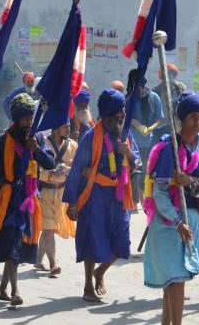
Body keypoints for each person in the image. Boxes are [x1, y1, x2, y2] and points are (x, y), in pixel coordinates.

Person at [143, 92, 199, 325]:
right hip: (169, 223)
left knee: (176, 280)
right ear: (182, 119)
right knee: (174, 280)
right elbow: (159, 192)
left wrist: (193, 181)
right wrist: (177, 222)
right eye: (192, 117)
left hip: (193, 219)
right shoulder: (168, 148)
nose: (197, 122)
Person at [0, 93, 55, 305]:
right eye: (25, 118)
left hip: (28, 200)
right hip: (7, 201)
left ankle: (2, 288)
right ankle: (15, 290)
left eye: (31, 118)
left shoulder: (36, 140)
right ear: (16, 119)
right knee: (12, 240)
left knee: (16, 243)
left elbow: (50, 164)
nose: (29, 122)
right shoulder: (0, 142)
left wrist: (36, 150)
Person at [63, 89, 141, 302]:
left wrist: (130, 154)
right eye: (119, 114)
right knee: (91, 239)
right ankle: (88, 285)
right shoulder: (90, 138)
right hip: (95, 195)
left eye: (124, 112)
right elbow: (77, 169)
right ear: (107, 117)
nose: (123, 116)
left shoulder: (125, 134)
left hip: (119, 195)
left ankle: (101, 272)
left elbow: (137, 162)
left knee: (122, 242)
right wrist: (71, 202)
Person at [35, 121, 78, 277]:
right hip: (45, 192)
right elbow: (37, 169)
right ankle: (54, 264)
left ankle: (38, 260)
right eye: (65, 126)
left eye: (69, 126)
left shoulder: (73, 145)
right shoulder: (42, 142)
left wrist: (68, 169)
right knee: (49, 230)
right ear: (55, 128)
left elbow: (78, 167)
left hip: (62, 194)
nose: (69, 129)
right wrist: (52, 174)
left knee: (48, 228)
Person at [131, 79, 164, 204]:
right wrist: (136, 124)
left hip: (149, 142)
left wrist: (151, 128)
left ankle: (142, 198)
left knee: (146, 170)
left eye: (137, 88)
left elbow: (160, 118)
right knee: (133, 170)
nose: (136, 91)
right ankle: (134, 200)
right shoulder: (129, 97)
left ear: (142, 86)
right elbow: (125, 115)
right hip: (132, 140)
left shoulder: (153, 97)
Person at [152, 62, 186, 145]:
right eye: (167, 74)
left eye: (172, 74)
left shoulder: (180, 88)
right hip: (161, 126)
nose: (170, 76)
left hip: (176, 125)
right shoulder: (156, 90)